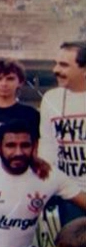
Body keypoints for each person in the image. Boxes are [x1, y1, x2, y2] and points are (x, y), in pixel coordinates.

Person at [39, 41, 86, 226]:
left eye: (64, 65)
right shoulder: (51, 98)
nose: (55, 70)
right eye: (56, 63)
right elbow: (47, 145)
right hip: (70, 194)